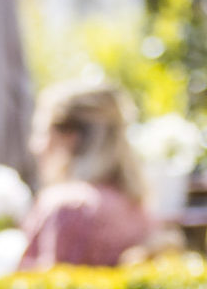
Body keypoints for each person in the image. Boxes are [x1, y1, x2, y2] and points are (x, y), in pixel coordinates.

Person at [19, 79, 158, 269]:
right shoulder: (135, 206)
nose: (35, 146)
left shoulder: (67, 208)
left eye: (41, 132)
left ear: (70, 137)